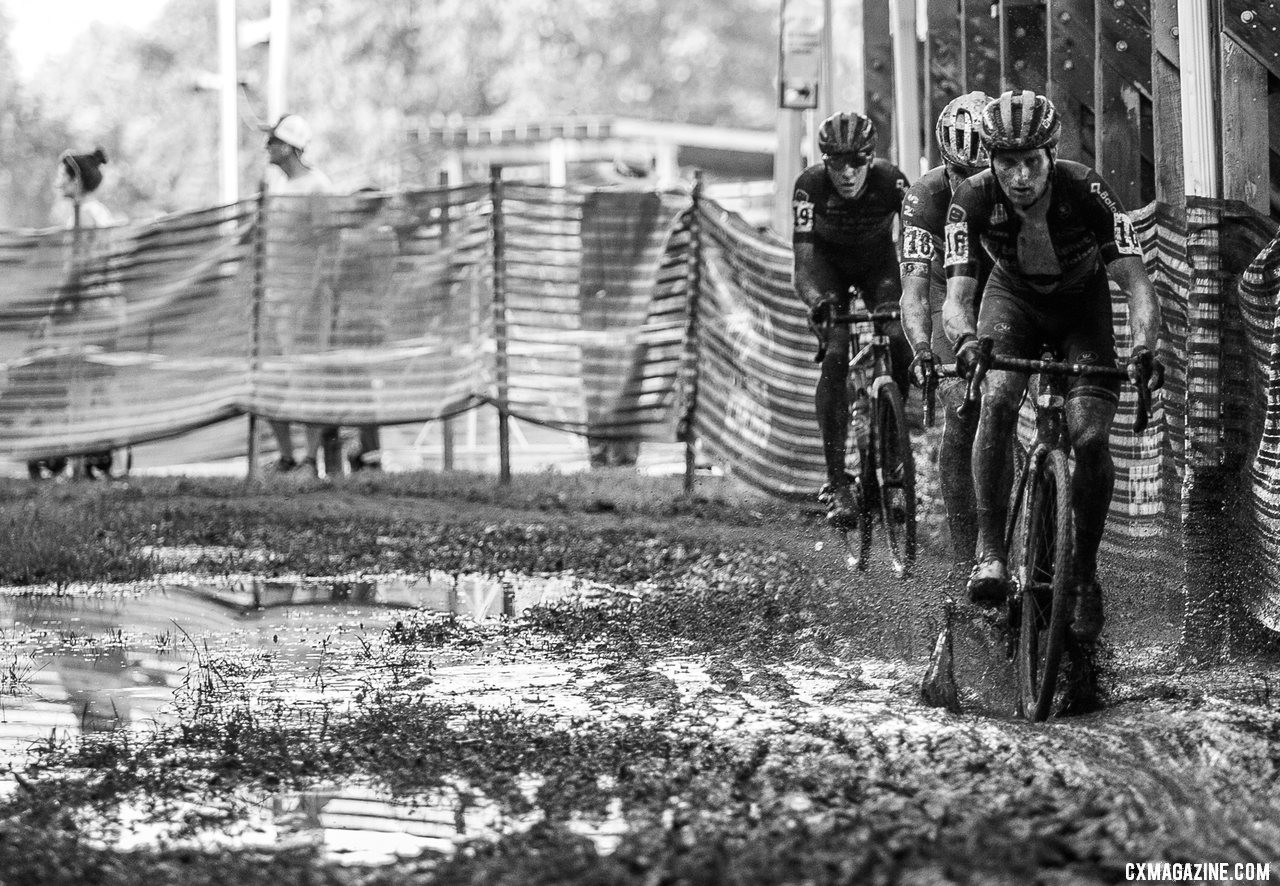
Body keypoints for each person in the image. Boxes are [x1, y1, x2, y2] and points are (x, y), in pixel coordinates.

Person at [941, 90, 1163, 641]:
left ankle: (1084, 576)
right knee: (994, 399)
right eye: (1006, 163)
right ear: (991, 162)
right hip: (1010, 302)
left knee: (1089, 439)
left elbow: (1137, 284)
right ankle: (990, 554)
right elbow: (956, 297)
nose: (1020, 177)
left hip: (1080, 310)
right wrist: (966, 340)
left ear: (1052, 153)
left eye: (1032, 162)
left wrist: (1142, 348)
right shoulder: (970, 197)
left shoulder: (1086, 188)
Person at [792, 111, 912, 529]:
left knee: (898, 338)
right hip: (829, 269)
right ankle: (837, 483)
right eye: (835, 163)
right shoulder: (809, 187)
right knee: (836, 355)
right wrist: (816, 303)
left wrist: (912, 297)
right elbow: (803, 264)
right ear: (824, 162)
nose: (846, 173)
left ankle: (895, 462)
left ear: (872, 159)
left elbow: (914, 250)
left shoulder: (893, 183)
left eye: (857, 162)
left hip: (878, 265)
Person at [898, 92, 993, 572]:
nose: (968, 188)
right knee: (963, 409)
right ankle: (964, 558)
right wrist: (920, 347)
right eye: (959, 175)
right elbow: (915, 293)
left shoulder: (1023, 184)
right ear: (944, 166)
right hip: (945, 288)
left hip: (1003, 281)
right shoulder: (923, 199)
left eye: (980, 176)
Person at [28, 148, 120, 480]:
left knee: (80, 384)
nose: (57, 181)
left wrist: (52, 312)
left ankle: (83, 463)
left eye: (62, 176)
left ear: (76, 180)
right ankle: (91, 459)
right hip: (106, 310)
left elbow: (75, 271)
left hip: (92, 312)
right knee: (95, 383)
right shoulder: (97, 212)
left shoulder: (85, 215)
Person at [260, 113, 345, 475]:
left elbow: (329, 244)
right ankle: (286, 457)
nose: (268, 148)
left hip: (305, 300)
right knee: (267, 376)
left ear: (289, 147)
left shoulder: (317, 186)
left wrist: (314, 293)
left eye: (274, 142)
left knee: (307, 376)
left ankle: (310, 460)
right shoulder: (277, 186)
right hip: (274, 296)